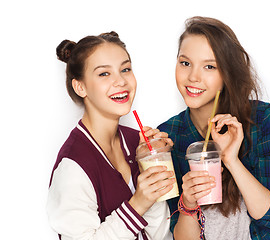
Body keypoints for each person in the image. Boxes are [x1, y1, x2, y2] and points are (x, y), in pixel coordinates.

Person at [158, 16, 270, 240]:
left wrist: (231, 160)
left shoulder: (261, 119)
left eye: (209, 66)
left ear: (226, 74)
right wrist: (187, 203)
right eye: (185, 63)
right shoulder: (169, 137)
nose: (193, 77)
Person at [47, 31, 174, 240]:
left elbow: (161, 235)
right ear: (80, 87)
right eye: (104, 74)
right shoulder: (73, 165)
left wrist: (149, 164)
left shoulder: (137, 142)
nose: (121, 81)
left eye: (125, 69)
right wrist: (138, 203)